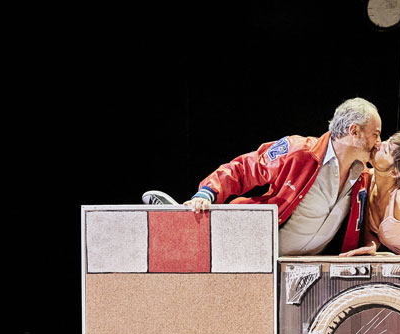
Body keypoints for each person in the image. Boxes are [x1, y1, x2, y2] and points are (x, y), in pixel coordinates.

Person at [142, 98, 381, 256]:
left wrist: (372, 245)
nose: (379, 142)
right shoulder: (298, 151)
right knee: (200, 250)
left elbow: (374, 221)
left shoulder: (363, 178)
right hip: (253, 250)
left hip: (296, 269)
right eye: (375, 134)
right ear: (354, 131)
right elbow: (243, 169)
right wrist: (206, 193)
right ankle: (179, 222)